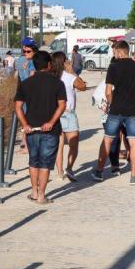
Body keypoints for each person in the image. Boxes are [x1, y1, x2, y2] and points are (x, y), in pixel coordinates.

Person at [14, 51, 67, 204]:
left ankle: (34, 192)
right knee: (45, 163)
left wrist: (25, 124)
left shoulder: (26, 83)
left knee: (33, 161)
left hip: (31, 129)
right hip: (51, 130)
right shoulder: (58, 83)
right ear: (49, 65)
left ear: (35, 65)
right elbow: (62, 105)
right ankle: (42, 195)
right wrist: (51, 122)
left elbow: (18, 107)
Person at [92, 40, 135, 185]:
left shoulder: (113, 67)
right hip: (133, 111)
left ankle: (99, 171)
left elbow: (108, 91)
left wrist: (112, 103)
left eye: (114, 52)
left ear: (119, 51)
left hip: (116, 110)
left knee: (107, 140)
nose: (114, 55)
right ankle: (134, 176)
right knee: (134, 142)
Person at [52, 51, 86, 182]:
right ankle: (69, 168)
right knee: (73, 144)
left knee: (59, 145)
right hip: (68, 113)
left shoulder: (51, 76)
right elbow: (82, 86)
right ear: (64, 62)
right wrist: (73, 71)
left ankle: (60, 172)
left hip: (55, 113)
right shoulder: (68, 76)